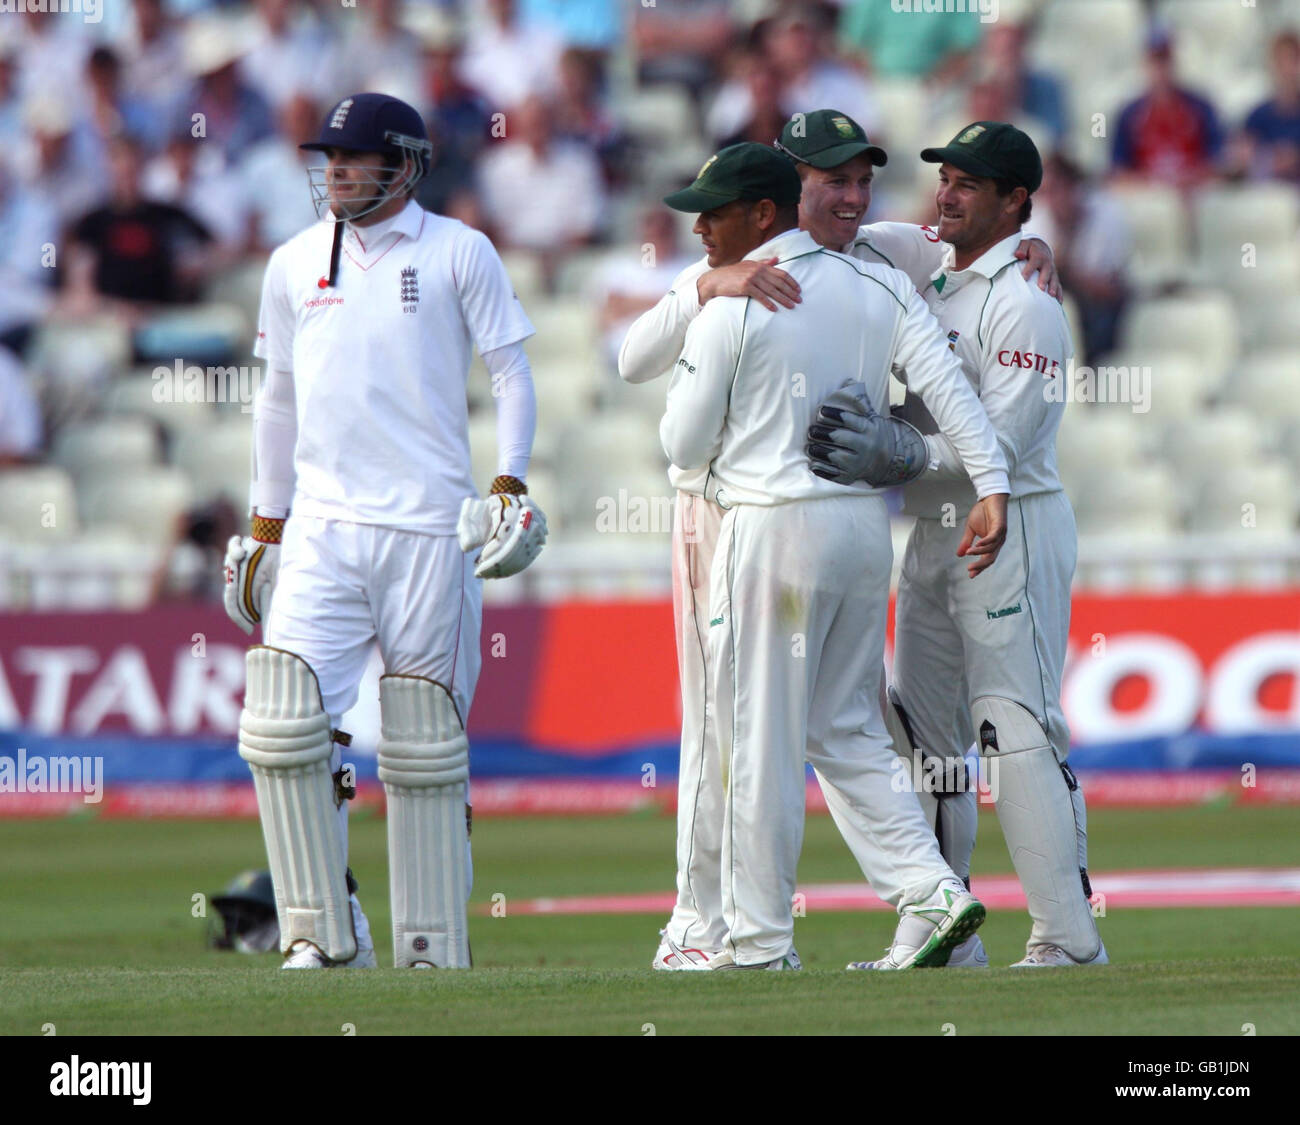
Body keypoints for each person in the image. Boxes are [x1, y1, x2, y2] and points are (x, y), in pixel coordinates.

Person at [620, 109, 1055, 972]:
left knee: (753, 741)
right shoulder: (879, 281)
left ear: (757, 207)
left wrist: (708, 296)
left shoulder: (750, 290)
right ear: (793, 188)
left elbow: (677, 441)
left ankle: (753, 941)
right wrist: (994, 487)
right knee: (847, 730)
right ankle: (933, 890)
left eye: (713, 211)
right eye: (837, 181)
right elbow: (956, 394)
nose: (700, 228)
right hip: (862, 530)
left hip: (766, 528)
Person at [222, 92, 547, 970]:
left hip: (430, 529)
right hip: (323, 531)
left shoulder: (458, 250)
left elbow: (510, 373)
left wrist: (508, 481)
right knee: (285, 728)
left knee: (424, 745)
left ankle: (429, 947)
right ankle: (325, 935)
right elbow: (277, 401)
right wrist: (265, 522)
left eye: (352, 157)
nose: (333, 170)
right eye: (326, 157)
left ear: (403, 164)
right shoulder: (293, 262)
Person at [808, 122, 1107, 968]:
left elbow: (1001, 448)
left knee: (1015, 725)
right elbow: (833, 229)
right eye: (947, 177)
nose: (947, 193)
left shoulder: (1028, 302)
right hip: (935, 533)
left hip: (1010, 526)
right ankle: (942, 933)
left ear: (1014, 200)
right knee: (928, 737)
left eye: (970, 184)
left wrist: (897, 452)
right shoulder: (926, 261)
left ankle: (1067, 938)